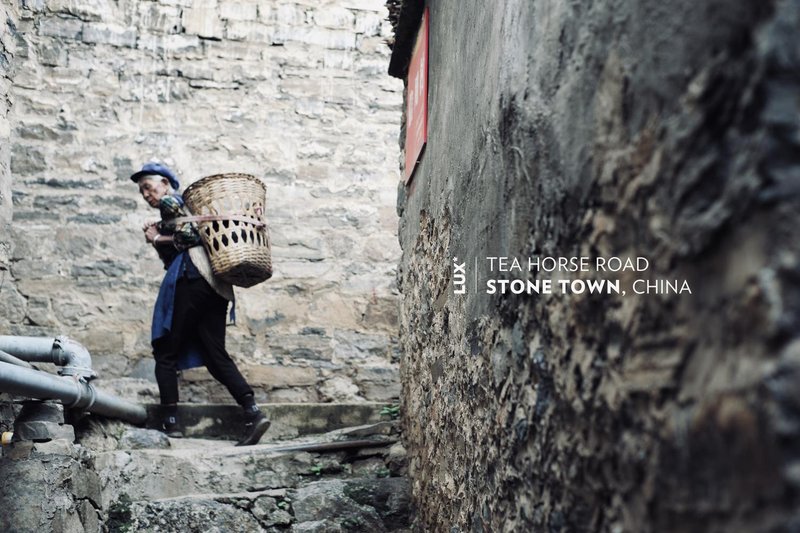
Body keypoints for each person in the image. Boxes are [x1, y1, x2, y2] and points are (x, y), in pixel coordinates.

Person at [130, 162, 270, 446]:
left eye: (148, 186)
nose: (146, 194)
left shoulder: (170, 202)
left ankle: (171, 423)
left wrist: (156, 238)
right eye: (142, 190)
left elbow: (190, 238)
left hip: (191, 278)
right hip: (216, 285)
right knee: (214, 354)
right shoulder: (186, 209)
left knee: (166, 349)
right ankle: (253, 412)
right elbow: (186, 237)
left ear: (165, 184)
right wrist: (161, 232)